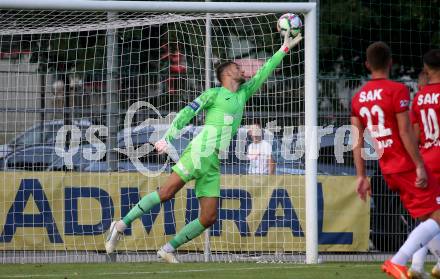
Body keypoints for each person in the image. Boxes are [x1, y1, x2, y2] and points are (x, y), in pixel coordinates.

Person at [104, 31, 303, 263]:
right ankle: (119, 225)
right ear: (228, 73)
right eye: (238, 67)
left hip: (213, 161)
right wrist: (168, 137)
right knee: (167, 193)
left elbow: (265, 70)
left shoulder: (243, 94)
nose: (243, 70)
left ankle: (167, 249)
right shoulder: (214, 94)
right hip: (199, 151)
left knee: (209, 217)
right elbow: (188, 112)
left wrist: (284, 48)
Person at [351, 42, 440, 279]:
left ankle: (421, 267)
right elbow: (406, 132)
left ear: (368, 64)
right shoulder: (397, 90)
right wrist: (419, 164)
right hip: (406, 164)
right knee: (437, 215)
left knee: (426, 218)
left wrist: (361, 176)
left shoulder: (358, 97)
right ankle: (398, 261)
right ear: (391, 62)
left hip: (387, 166)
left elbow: (356, 140)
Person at [408, 49, 440, 279]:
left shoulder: (419, 97)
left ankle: (418, 265)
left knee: (428, 216)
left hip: (427, 158)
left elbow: (416, 133)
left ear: (427, 69)